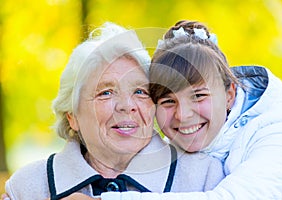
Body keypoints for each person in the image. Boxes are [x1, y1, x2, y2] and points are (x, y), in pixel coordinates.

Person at [3, 22, 224, 200]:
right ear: (72, 117)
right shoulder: (27, 187)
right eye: (106, 93)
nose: (127, 105)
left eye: (140, 91)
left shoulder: (205, 176)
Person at [99, 20, 282, 199]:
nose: (183, 115)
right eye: (168, 101)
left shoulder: (281, 132)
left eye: (198, 96)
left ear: (229, 94)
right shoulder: (168, 150)